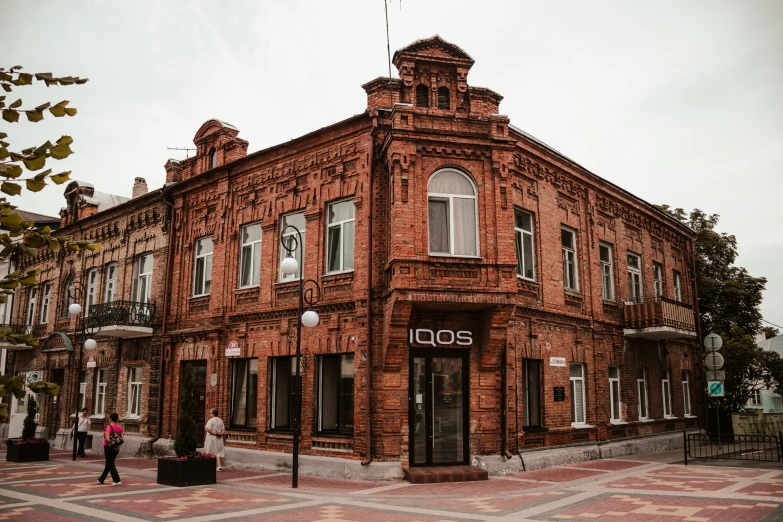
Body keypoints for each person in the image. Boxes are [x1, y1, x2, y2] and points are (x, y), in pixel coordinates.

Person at [97, 412, 123, 485]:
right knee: (108, 464)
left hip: (108, 447)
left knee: (110, 464)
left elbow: (108, 439)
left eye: (109, 418)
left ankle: (117, 480)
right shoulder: (120, 427)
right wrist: (117, 445)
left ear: (111, 419)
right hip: (116, 448)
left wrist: (110, 443)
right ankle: (101, 479)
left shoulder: (109, 427)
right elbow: (122, 438)